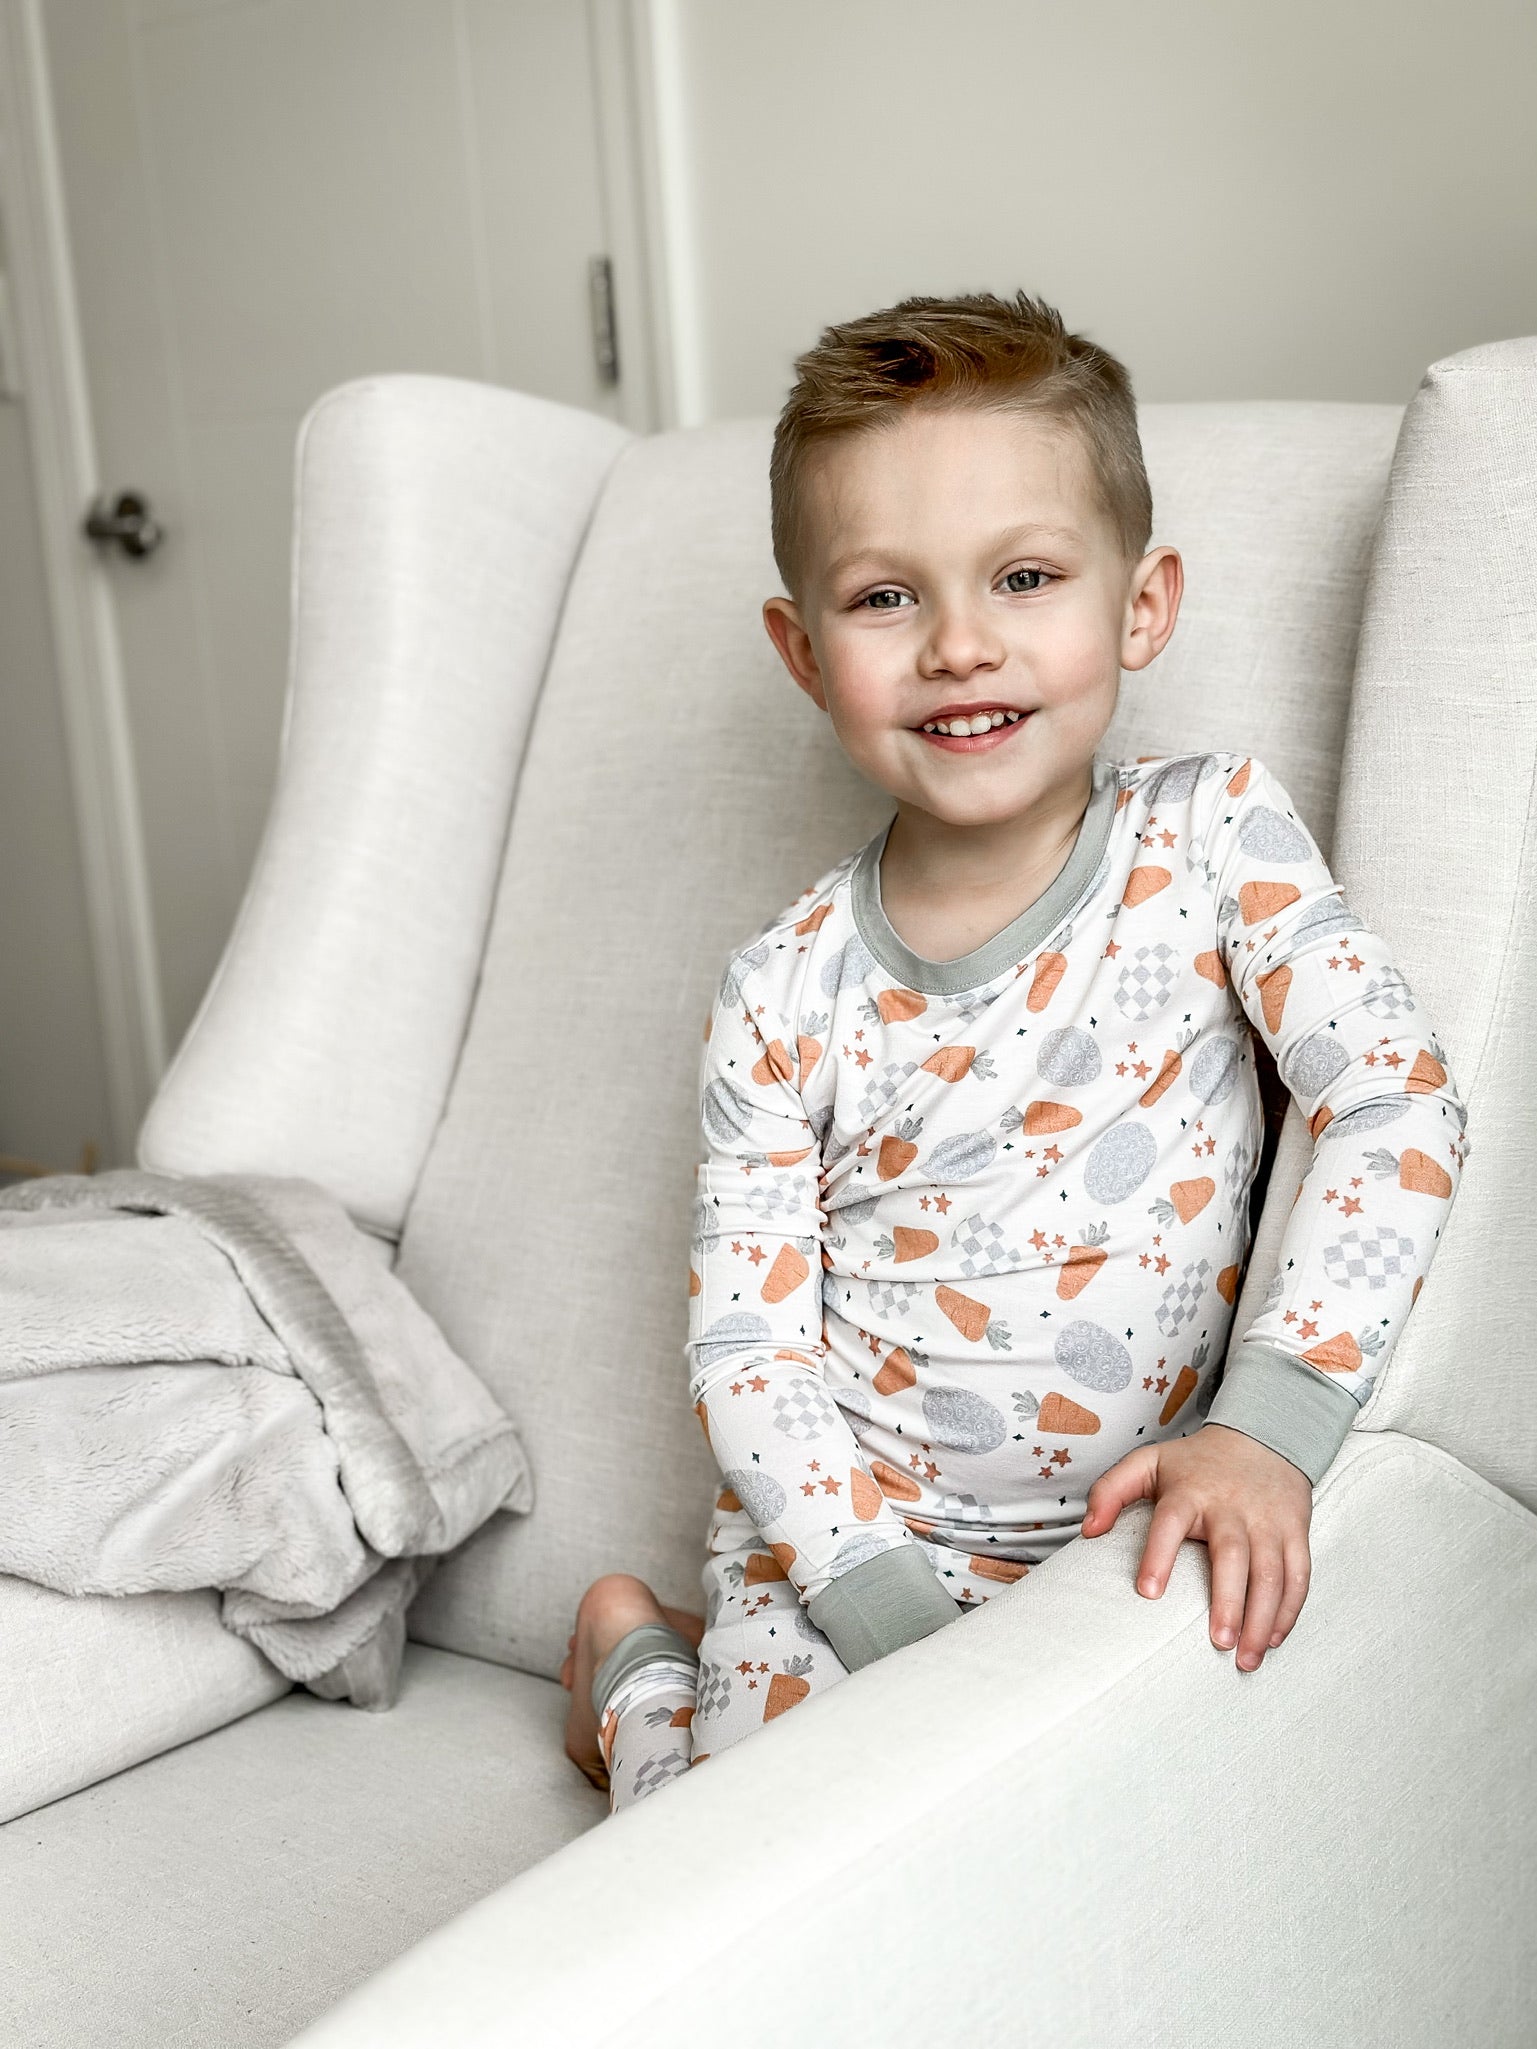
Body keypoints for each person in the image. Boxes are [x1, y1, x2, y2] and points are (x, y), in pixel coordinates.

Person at [558, 290, 1471, 1811]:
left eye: (1025, 577)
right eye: (883, 598)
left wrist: (1269, 1427)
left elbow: (1395, 1097)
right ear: (802, 652)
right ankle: (637, 1672)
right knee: (725, 1867)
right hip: (845, 1553)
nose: (960, 645)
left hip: (1121, 1538)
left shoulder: (1210, 839)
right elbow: (749, 1352)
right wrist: (880, 1612)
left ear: (1141, 605)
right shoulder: (782, 991)